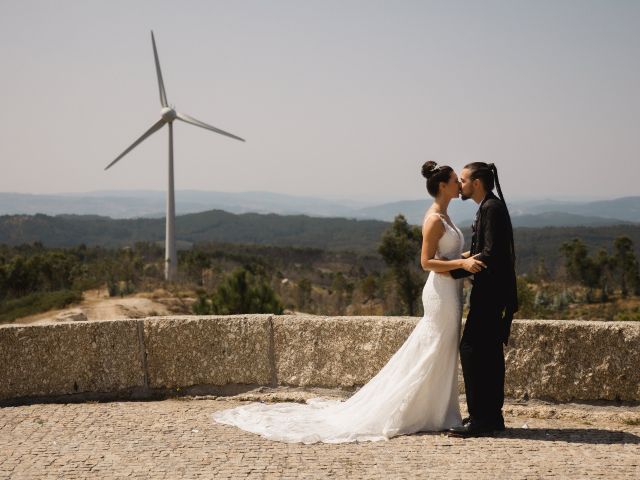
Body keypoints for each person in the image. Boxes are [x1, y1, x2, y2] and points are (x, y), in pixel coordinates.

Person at [211, 161, 485, 444]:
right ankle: (424, 411)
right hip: (440, 293)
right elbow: (426, 262)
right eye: (455, 180)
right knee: (434, 348)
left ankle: (438, 411)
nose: (459, 185)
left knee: (443, 349)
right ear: (443, 186)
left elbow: (448, 254)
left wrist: (470, 257)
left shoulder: (446, 216)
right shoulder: (433, 219)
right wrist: (463, 262)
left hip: (452, 291)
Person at [447, 162, 518, 437]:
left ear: (476, 182)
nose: (460, 185)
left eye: (463, 180)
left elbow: (489, 254)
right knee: (488, 354)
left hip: (490, 293)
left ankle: (481, 418)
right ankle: (491, 416)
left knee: (472, 349)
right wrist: (457, 262)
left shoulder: (491, 208)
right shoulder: (490, 206)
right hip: (493, 292)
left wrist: (453, 269)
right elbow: (483, 250)